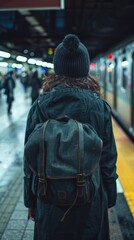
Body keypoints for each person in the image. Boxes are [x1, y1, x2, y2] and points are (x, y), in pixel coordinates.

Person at [23, 34, 118, 240]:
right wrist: (109, 197)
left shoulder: (39, 106)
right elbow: (108, 159)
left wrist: (30, 201)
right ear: (84, 70)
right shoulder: (99, 107)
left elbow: (30, 159)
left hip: (49, 200)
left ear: (58, 69)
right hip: (91, 200)